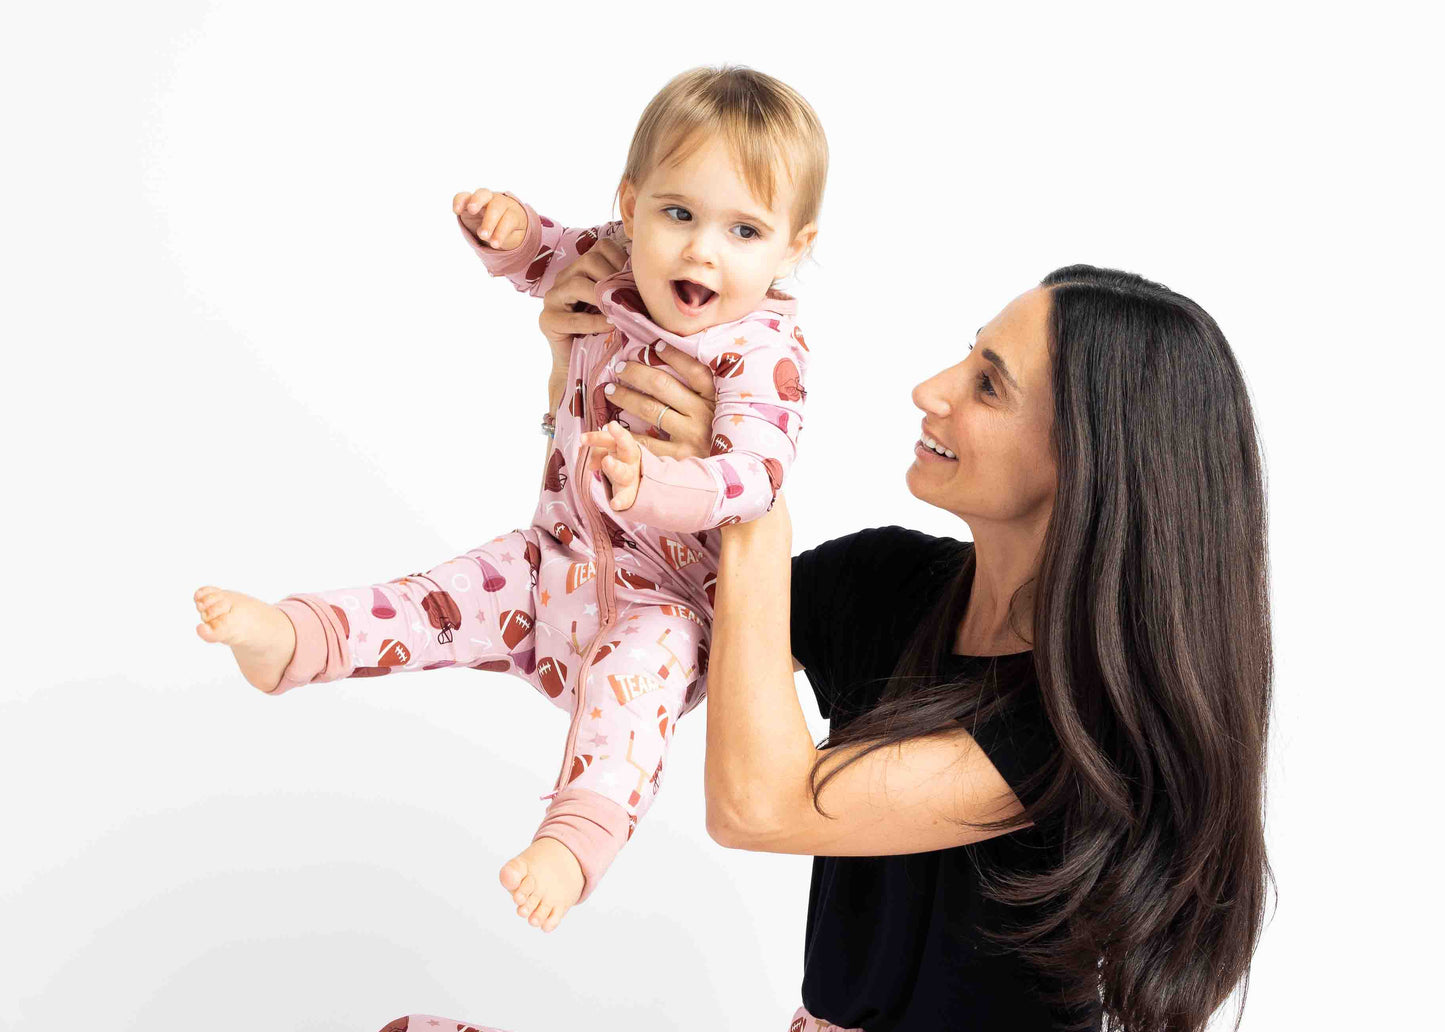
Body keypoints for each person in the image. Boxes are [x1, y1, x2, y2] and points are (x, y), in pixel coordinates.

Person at [371, 251, 1271, 1030]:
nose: (932, 390)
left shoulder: (1079, 726)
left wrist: (745, 497)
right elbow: (626, 620)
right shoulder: (885, 581)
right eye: (967, 355)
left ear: (1090, 458)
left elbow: (759, 806)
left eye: (988, 384)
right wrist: (582, 382)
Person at [190, 65, 828, 933]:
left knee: (627, 712)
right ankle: (295, 641)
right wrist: (506, 228)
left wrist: (657, 483)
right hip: (549, 562)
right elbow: (544, 257)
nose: (700, 251)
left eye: (743, 230)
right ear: (631, 204)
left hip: (666, 606)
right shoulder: (615, 261)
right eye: (677, 213)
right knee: (432, 599)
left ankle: (573, 843)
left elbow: (755, 475)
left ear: (793, 247)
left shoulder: (761, 351)